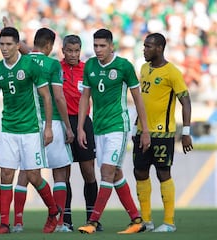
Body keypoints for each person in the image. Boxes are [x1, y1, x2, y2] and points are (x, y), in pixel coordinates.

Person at [0, 26, 60, 234]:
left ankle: (53, 211)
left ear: (18, 46)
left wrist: (48, 127)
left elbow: (46, 96)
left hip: (30, 129)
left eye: (9, 44)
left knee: (34, 176)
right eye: (2, 44)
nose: (4, 48)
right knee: (6, 175)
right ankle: (4, 223)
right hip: (9, 129)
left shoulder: (30, 65)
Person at [77, 28, 150, 234]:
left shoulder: (123, 66)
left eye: (102, 46)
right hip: (98, 128)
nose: (98, 50)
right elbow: (85, 98)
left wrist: (144, 129)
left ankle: (92, 222)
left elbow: (137, 98)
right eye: (95, 46)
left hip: (118, 126)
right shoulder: (90, 65)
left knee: (106, 172)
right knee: (115, 173)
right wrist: (81, 127)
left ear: (111, 46)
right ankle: (136, 220)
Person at [10, 27, 74, 233]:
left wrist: (10, 29)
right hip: (52, 121)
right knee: (60, 174)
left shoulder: (24, 61)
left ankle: (18, 222)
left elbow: (23, 49)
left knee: (25, 173)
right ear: (49, 45)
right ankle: (60, 222)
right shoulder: (53, 64)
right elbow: (58, 97)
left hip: (28, 124)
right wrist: (68, 126)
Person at [133, 33, 193, 233]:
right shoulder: (144, 68)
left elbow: (186, 101)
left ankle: (169, 222)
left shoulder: (172, 72)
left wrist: (186, 131)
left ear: (159, 48)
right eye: (144, 46)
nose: (145, 49)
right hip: (142, 132)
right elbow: (143, 101)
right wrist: (136, 126)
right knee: (140, 173)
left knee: (163, 173)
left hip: (163, 134)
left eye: (148, 46)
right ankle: (147, 221)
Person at [60, 34, 101, 232]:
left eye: (77, 51)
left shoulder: (88, 69)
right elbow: (32, 55)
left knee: (89, 172)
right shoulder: (55, 68)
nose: (73, 54)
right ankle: (66, 220)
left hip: (83, 122)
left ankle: (93, 219)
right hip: (62, 123)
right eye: (70, 50)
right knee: (63, 174)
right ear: (63, 50)